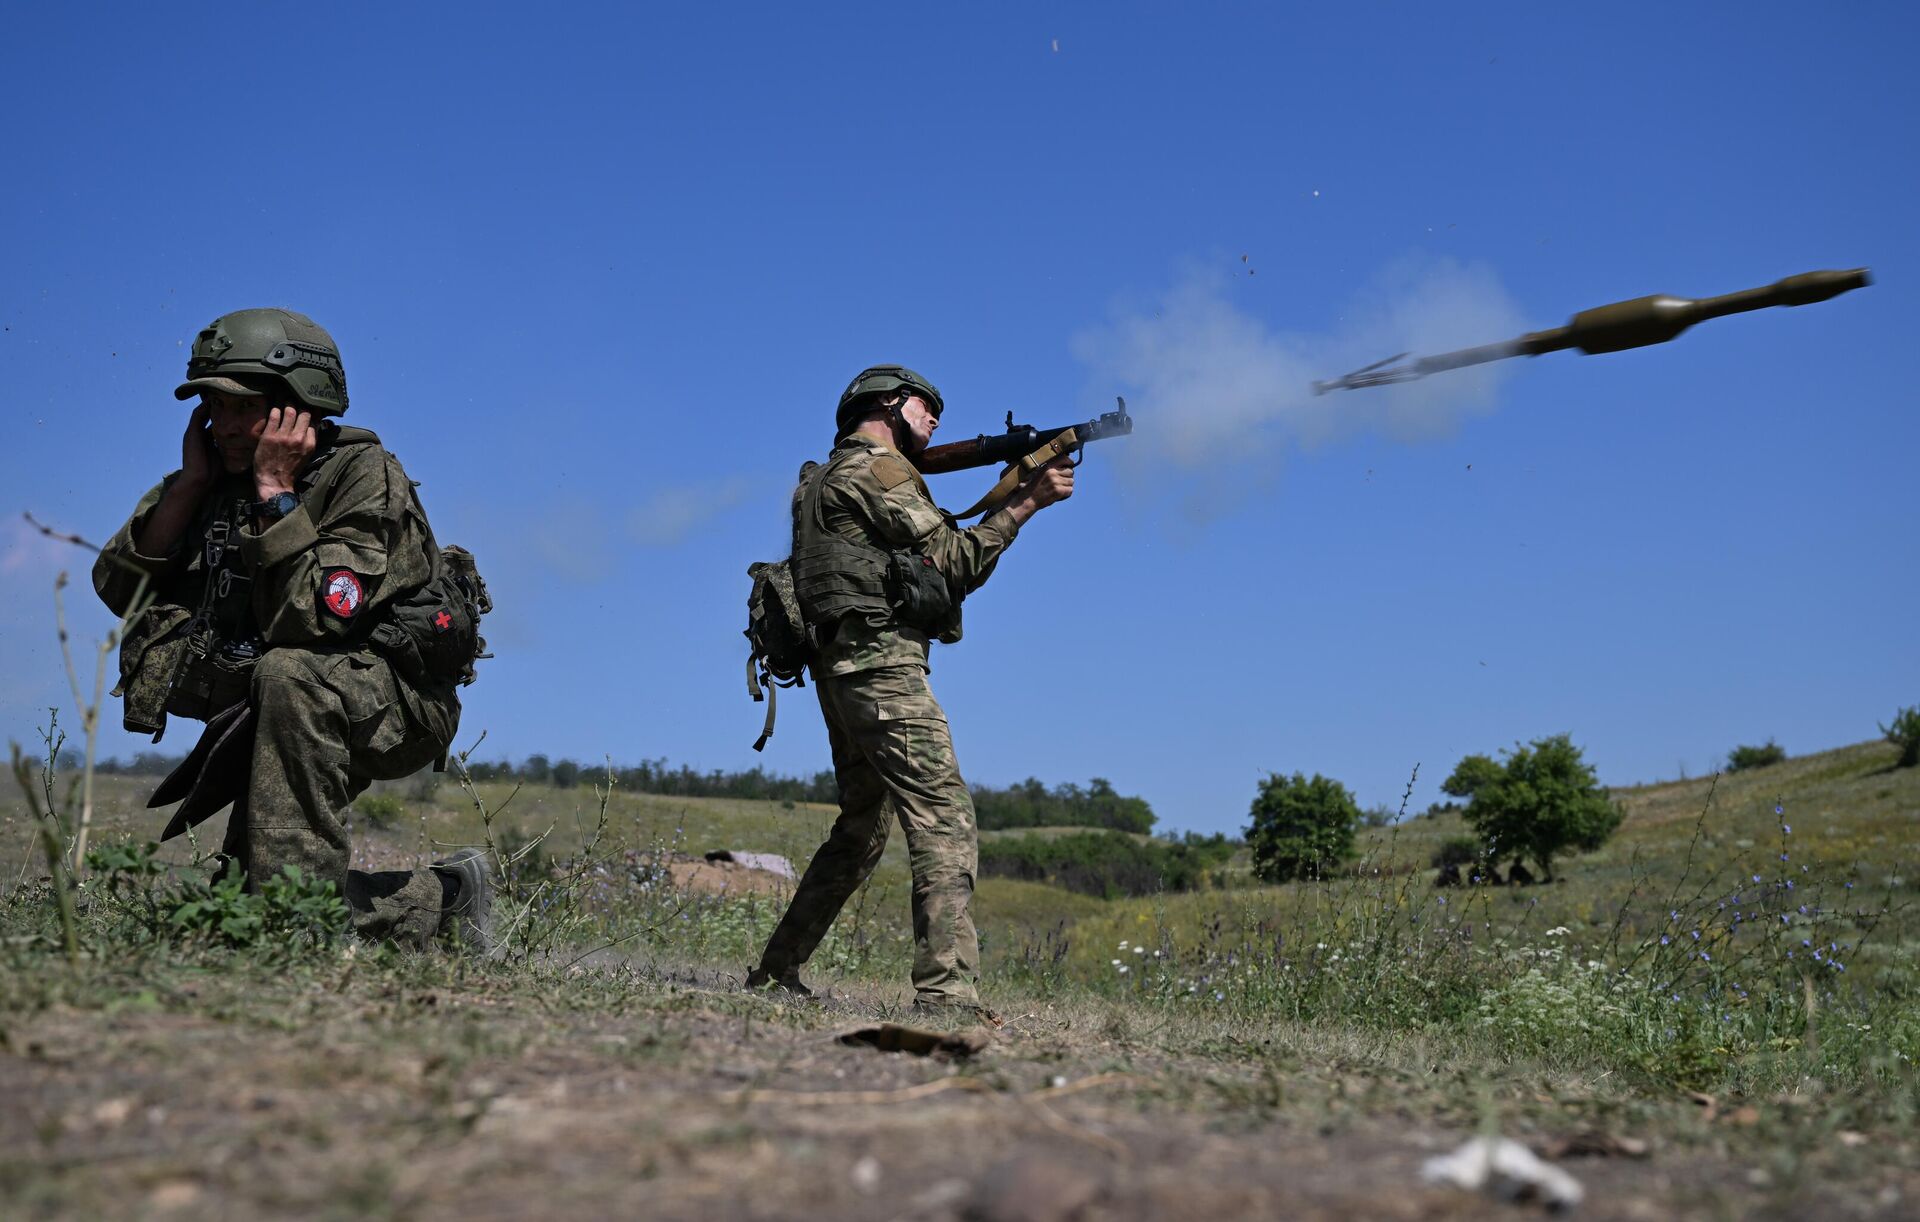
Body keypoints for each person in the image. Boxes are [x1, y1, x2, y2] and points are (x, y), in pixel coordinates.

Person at [93, 308, 490, 950]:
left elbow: (312, 616)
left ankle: (295, 929)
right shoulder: (210, 482)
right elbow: (119, 590)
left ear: (296, 408)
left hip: (389, 704)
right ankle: (443, 898)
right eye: (209, 408)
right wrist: (190, 486)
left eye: (236, 407)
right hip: (281, 709)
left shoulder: (362, 476)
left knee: (288, 671)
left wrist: (276, 490)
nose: (218, 425)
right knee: (234, 910)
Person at [747, 365, 1075, 1016]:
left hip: (839, 671)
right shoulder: (879, 471)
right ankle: (946, 994)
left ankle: (776, 971)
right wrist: (1025, 503)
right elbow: (953, 565)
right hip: (882, 668)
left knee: (863, 830)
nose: (936, 419)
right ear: (886, 404)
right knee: (944, 817)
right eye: (926, 406)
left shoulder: (817, 482)